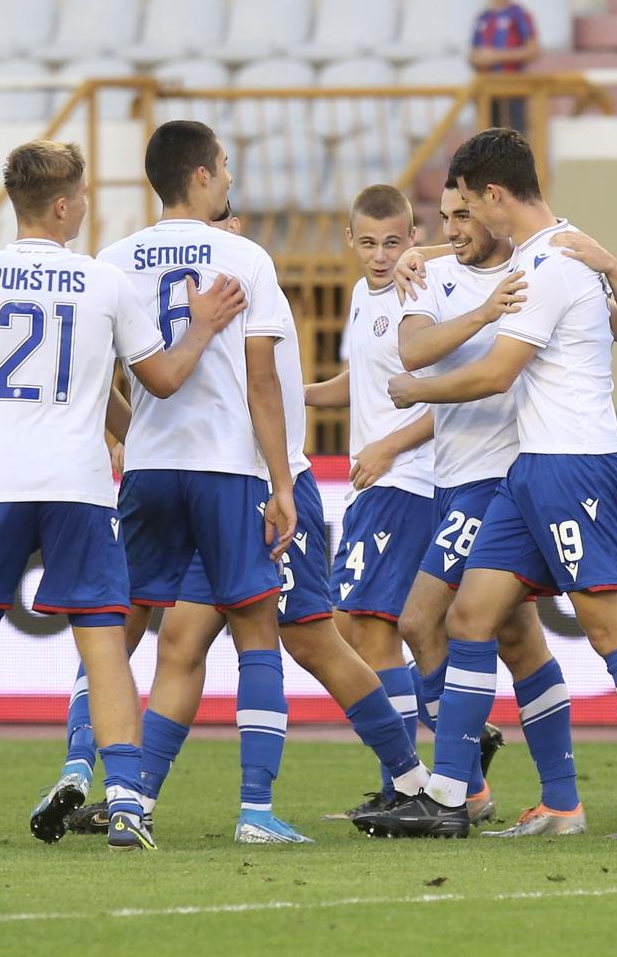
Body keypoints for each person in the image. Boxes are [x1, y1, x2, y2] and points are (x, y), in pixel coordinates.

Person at [360, 128, 617, 841]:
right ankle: (452, 795)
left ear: (492, 195)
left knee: (612, 631)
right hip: (528, 471)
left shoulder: (552, 262)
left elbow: (495, 374)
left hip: (573, 463)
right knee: (469, 616)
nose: (465, 225)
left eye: (468, 207)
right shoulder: (553, 253)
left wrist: (414, 387)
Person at [54, 204, 432, 842]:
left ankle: (412, 780)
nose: (221, 238)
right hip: (217, 488)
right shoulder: (226, 287)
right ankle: (138, 799)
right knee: (182, 644)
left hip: (265, 484)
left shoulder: (246, 283)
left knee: (311, 640)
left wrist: (279, 476)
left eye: (229, 227)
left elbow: (264, 388)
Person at [0, 140, 245, 852]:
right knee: (105, 643)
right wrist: (202, 325)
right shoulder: (101, 283)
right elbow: (164, 378)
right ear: (60, 206)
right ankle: (125, 802)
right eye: (80, 196)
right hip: (78, 489)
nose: (86, 206)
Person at [95, 120, 303, 845]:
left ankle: (125, 793)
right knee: (254, 629)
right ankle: (254, 809)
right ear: (202, 176)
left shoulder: (113, 260)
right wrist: (282, 482)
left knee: (126, 629)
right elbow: (263, 382)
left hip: (149, 468)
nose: (230, 179)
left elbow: (96, 383)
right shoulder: (244, 257)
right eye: (225, 167)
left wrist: (131, 435)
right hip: (225, 469)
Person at [391, 178, 585, 837]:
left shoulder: (539, 269)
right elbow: (413, 352)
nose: (453, 228)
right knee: (517, 638)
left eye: (464, 214)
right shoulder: (433, 273)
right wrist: (479, 313)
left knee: (421, 620)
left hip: (498, 478)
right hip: (452, 476)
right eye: (444, 217)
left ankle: (463, 785)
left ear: (496, 209)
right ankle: (557, 798)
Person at [303, 185, 455, 819]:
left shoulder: (422, 291)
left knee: (370, 628)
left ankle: (415, 783)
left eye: (394, 242)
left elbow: (444, 397)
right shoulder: (364, 298)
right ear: (350, 240)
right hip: (376, 480)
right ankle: (444, 765)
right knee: (363, 628)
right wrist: (299, 394)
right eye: (368, 242)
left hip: (405, 479)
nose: (381, 255)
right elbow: (360, 383)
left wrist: (389, 448)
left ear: (412, 237)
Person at [470, 0, 539, 135]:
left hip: (512, 89)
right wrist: (477, 58)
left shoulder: (519, 14)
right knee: (487, 141)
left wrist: (497, 56)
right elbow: (473, 52)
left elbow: (533, 50)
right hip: (487, 89)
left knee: (513, 139)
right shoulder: (482, 18)